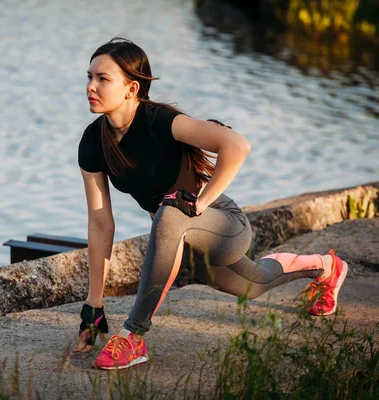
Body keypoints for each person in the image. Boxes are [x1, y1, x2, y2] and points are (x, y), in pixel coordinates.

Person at [73, 37, 349, 370]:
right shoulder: (93, 141)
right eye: (89, 77)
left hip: (222, 223)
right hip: (179, 243)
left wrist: (201, 202)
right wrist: (93, 304)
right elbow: (101, 223)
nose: (91, 86)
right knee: (256, 284)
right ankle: (326, 267)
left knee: (171, 210)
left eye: (103, 79)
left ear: (132, 88)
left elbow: (236, 144)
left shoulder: (159, 121)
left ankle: (133, 338)